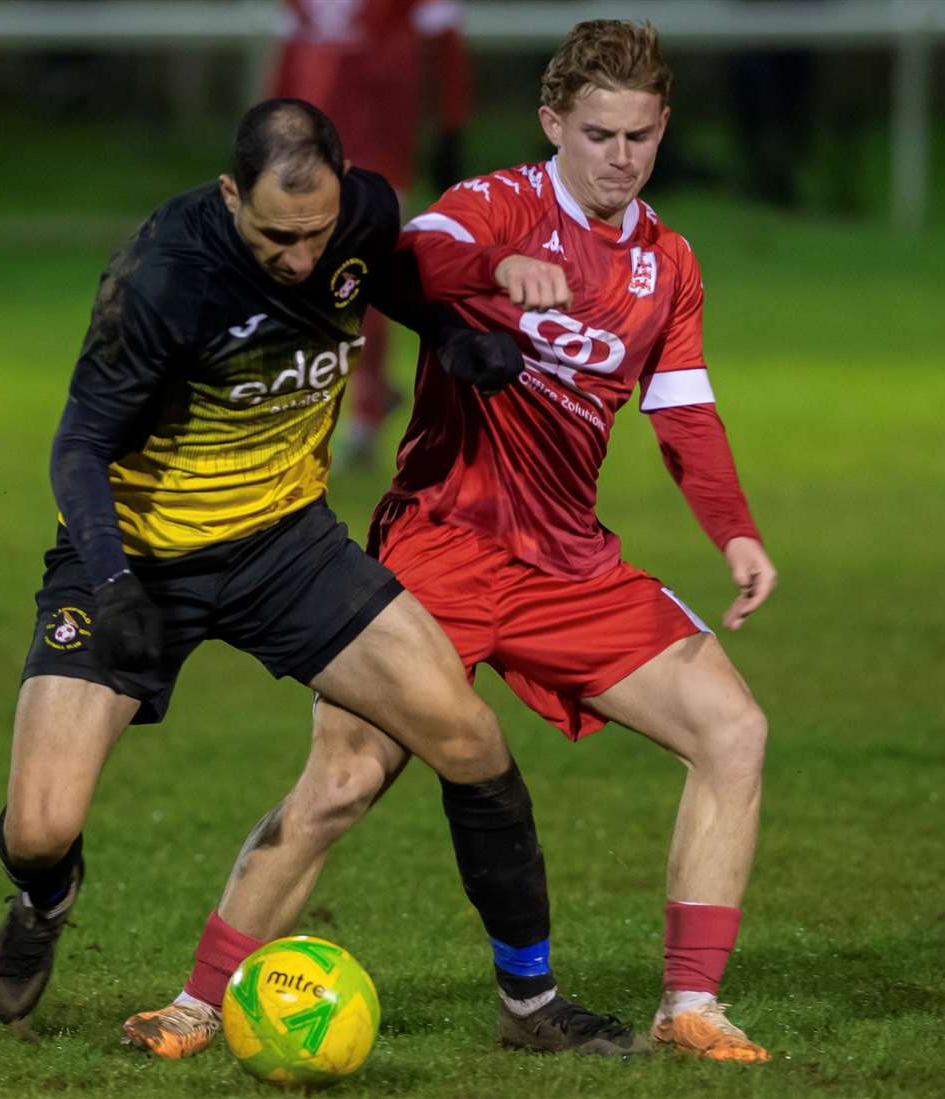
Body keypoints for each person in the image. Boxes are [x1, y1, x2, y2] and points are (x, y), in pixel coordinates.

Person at [128, 20, 777, 1064]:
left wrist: (736, 532)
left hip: (569, 564)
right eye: (600, 133)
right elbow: (417, 254)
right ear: (553, 123)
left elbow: (686, 409)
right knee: (342, 780)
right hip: (440, 547)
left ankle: (691, 1003)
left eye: (641, 137)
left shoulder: (670, 264)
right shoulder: (499, 205)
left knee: (733, 729)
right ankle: (198, 1004)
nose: (621, 158)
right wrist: (499, 268)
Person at [0, 98, 642, 1058]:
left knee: (468, 738)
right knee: (41, 826)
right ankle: (46, 897)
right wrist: (115, 581)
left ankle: (530, 1005)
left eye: (314, 233)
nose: (299, 258)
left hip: (285, 546)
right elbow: (79, 443)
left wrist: (456, 340)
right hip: (135, 558)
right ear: (228, 194)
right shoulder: (164, 276)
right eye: (274, 235)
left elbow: (400, 281)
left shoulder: (360, 214)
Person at [268, 0, 473, 463]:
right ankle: (365, 395)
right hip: (307, 142)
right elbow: (291, 55)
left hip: (379, 141)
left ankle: (362, 413)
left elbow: (446, 48)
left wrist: (450, 131)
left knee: (357, 270)